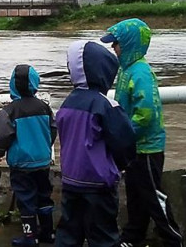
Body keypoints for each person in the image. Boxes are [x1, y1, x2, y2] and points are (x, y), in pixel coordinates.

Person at [101, 19, 184, 247]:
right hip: (134, 147)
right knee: (136, 194)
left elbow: (145, 114)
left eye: (116, 43)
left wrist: (123, 134)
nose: (113, 48)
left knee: (152, 196)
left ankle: (172, 238)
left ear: (128, 44)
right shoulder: (128, 70)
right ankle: (133, 235)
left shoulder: (141, 73)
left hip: (147, 148)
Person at [55, 41, 136, 247]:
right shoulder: (105, 104)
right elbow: (124, 142)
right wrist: (120, 166)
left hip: (71, 180)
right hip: (98, 183)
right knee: (103, 236)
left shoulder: (67, 102)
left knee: (68, 233)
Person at [0, 64, 56, 246]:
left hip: (21, 165)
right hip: (42, 162)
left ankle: (30, 237)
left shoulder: (9, 111)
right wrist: (43, 147)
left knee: (26, 199)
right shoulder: (45, 107)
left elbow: (4, 135)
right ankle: (48, 233)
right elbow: (53, 130)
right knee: (44, 196)